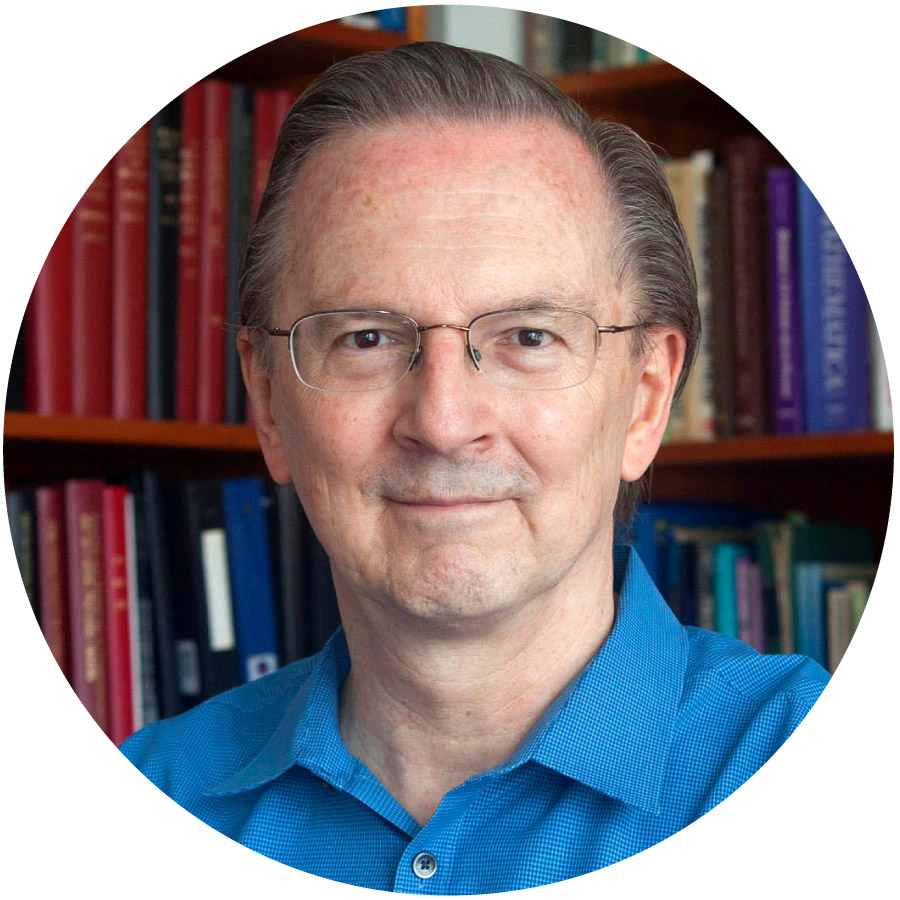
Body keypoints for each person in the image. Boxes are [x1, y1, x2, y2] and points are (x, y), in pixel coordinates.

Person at [121, 42, 829, 893]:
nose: (446, 424)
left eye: (529, 337)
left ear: (644, 399)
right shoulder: (142, 798)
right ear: (270, 403)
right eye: (367, 339)